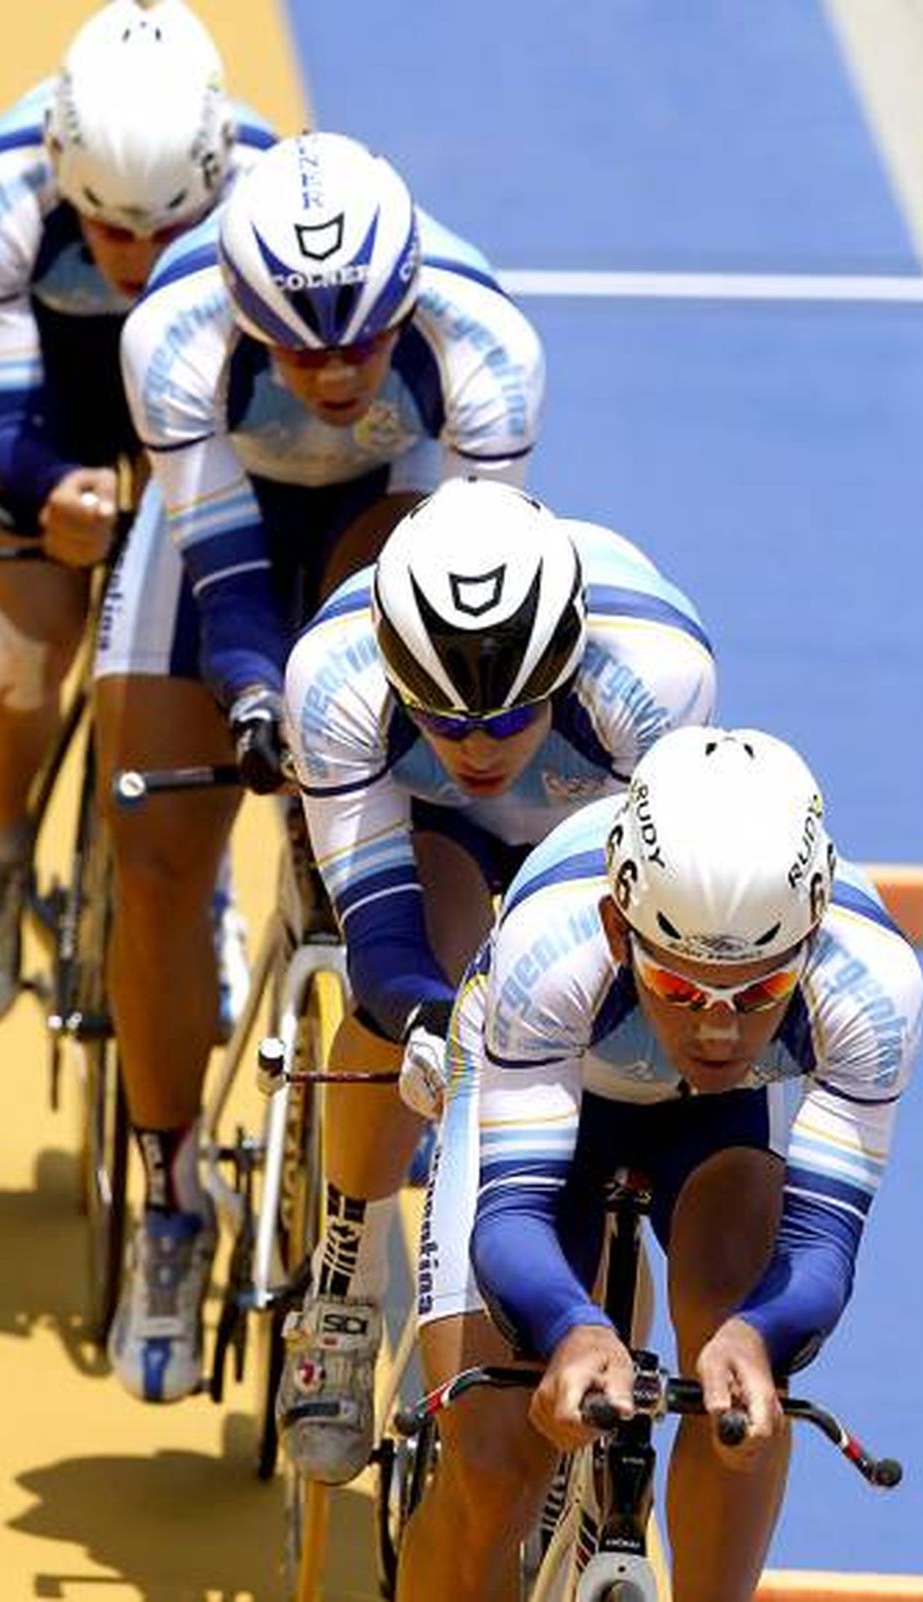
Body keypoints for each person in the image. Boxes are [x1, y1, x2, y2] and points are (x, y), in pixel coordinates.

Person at [97, 132, 546, 1402]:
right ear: (240, 312)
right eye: (299, 347)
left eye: (362, 341)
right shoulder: (175, 333)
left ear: (406, 299)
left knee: (418, 795)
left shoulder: (485, 343)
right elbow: (227, 568)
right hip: (224, 512)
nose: (339, 370)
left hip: (398, 514)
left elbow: (473, 571)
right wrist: (252, 700)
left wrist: (375, 743)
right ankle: (171, 1196)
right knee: (156, 861)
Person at [395, 725, 923, 1602]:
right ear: (617, 927)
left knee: (744, 1379)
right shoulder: (551, 946)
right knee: (490, 1462)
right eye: (679, 989)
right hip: (552, 1079)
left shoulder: (871, 985)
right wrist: (571, 1326)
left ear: (813, 946)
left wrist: (755, 1339)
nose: (717, 1028)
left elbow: (824, 1242)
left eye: (758, 994)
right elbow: (514, 1215)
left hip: (718, 1123)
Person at [277, 475, 717, 1483]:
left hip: (594, 837)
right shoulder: (335, 677)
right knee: (409, 1005)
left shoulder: (652, 678)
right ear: (397, 677)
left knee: (607, 1054)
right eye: (442, 717)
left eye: (510, 715)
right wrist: (447, 1023)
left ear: (562, 672)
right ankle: (344, 1274)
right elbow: (384, 947)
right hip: (434, 835)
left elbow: (648, 917)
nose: (477, 746)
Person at [0, 0, 275, 1026]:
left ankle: (200, 882)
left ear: (213, 178)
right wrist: (52, 490)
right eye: (106, 228)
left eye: (169, 229)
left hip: (206, 403)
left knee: (222, 656)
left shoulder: (275, 197)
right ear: (58, 167)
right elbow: (0, 424)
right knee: (22, 655)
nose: (137, 255)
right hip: (60, 407)